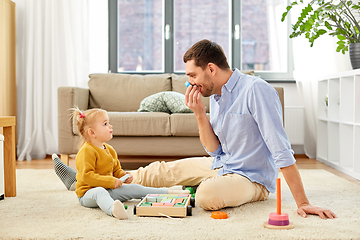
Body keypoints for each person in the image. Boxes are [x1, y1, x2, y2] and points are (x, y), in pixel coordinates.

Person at [54, 39, 336, 220]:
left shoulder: (256, 91)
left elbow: (280, 149)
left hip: (251, 179)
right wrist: (200, 114)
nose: (190, 83)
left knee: (205, 197)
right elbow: (214, 150)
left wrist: (303, 202)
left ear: (211, 69)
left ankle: (181, 191)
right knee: (161, 171)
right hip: (222, 165)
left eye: (192, 75)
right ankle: (83, 179)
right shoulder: (216, 96)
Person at [53, 107, 189, 220]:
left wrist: (123, 175)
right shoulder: (86, 151)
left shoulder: (109, 149)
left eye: (109, 123)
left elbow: (116, 170)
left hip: (110, 190)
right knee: (100, 192)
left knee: (136, 189)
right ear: (92, 132)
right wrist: (111, 182)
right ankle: (113, 210)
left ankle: (169, 192)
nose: (110, 126)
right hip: (88, 194)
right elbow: (87, 177)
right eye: (105, 124)